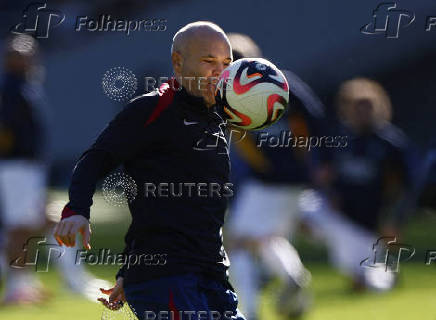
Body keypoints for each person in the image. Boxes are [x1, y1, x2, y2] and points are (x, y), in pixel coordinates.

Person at [54, 21, 246, 319]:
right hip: (167, 278)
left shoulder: (217, 115)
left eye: (225, 63)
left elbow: (175, 209)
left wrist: (128, 271)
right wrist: (76, 210)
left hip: (211, 274)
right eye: (208, 61)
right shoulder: (152, 109)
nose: (218, 72)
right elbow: (95, 158)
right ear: (178, 62)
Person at [226, 33, 326, 319]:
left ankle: (249, 311)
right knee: (267, 238)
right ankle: (292, 276)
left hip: (265, 180)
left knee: (238, 244)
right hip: (296, 180)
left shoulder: (230, 91)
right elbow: (316, 116)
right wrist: (318, 161)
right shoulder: (284, 81)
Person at [299, 78, 414, 291]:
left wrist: (395, 220)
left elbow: (407, 186)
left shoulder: (390, 143)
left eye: (368, 107)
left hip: (367, 226)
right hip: (338, 215)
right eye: (357, 107)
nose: (362, 113)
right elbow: (323, 175)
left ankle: (383, 274)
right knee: (298, 207)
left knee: (370, 283)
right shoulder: (339, 140)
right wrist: (328, 190)